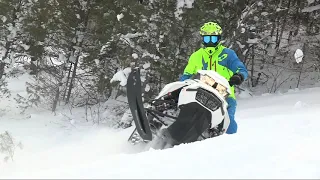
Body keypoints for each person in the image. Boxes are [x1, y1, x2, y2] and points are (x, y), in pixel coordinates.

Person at [179, 22, 248, 134]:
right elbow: (186, 74)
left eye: (213, 39)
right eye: (207, 39)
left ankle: (232, 143)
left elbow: (240, 68)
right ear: (203, 39)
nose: (210, 42)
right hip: (201, 93)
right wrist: (181, 86)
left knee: (228, 123)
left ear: (219, 39)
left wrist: (239, 76)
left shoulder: (227, 54)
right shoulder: (196, 56)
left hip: (225, 94)